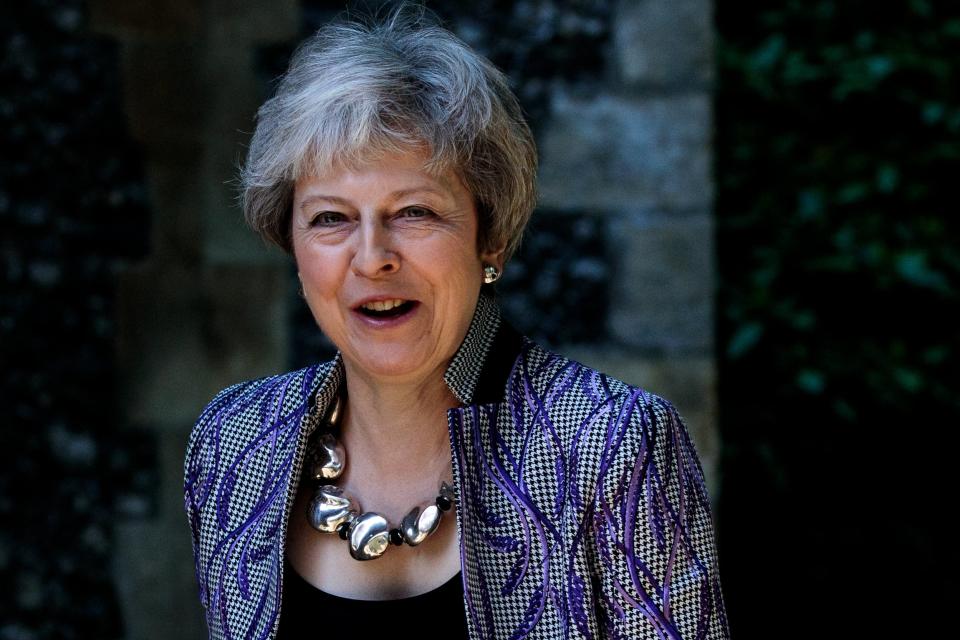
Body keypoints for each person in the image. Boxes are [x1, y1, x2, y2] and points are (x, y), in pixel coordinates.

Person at [183, 6, 728, 639]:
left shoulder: (613, 448)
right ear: (293, 246)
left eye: (414, 212)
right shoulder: (234, 445)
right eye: (330, 218)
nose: (372, 257)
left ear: (489, 236)